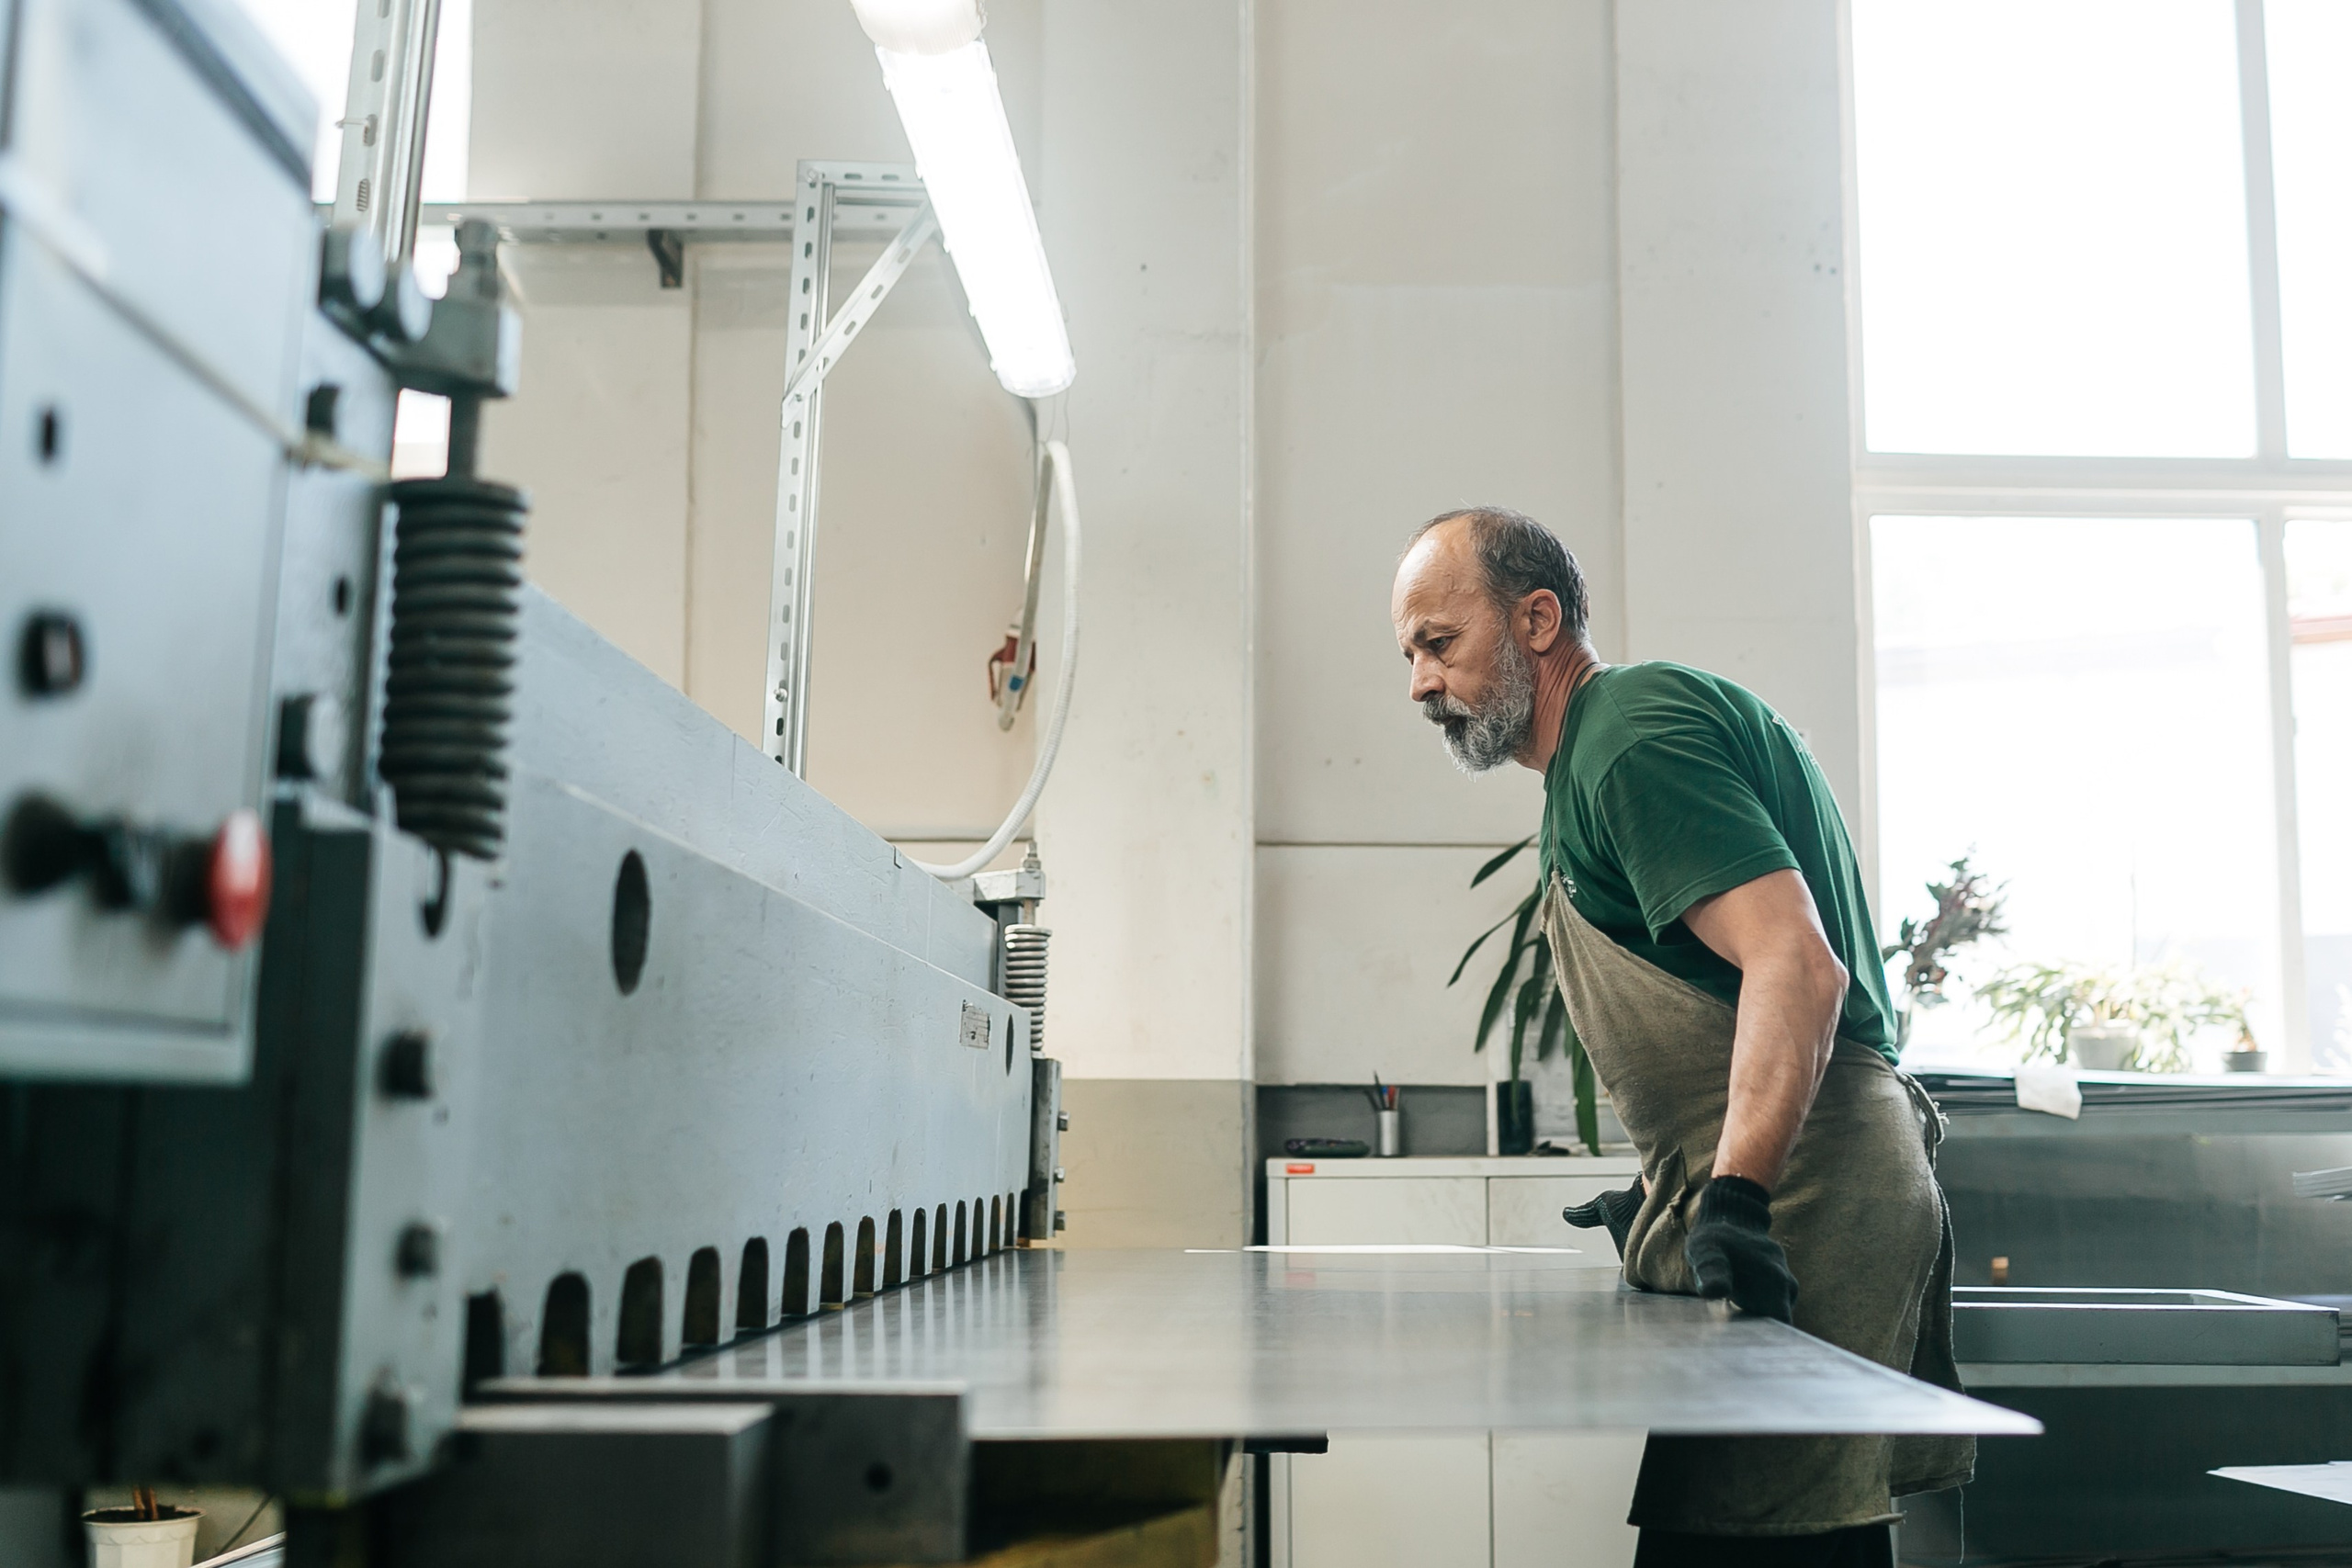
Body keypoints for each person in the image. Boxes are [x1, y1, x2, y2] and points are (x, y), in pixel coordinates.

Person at [1389, 506, 1970, 1567]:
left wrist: (1735, 1196)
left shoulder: (1629, 739)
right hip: (1794, 1179)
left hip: (1808, 1194)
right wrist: (1669, 1185)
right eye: (1411, 656)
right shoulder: (1593, 760)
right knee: (1758, 1536)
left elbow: (1795, 965)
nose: (1421, 683)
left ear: (1535, 618)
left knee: (1769, 1539)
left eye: (1439, 643)